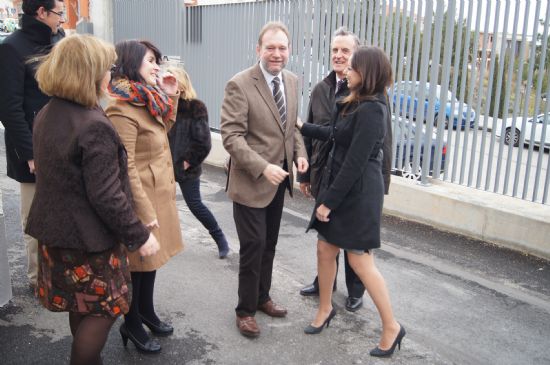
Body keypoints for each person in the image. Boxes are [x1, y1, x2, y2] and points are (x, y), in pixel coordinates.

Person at [24, 34, 160, 365]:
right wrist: (139, 236)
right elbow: (107, 194)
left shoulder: (48, 111)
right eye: (107, 68)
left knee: (80, 304)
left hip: (56, 235)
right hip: (89, 242)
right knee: (107, 307)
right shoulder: (92, 123)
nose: (111, 75)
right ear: (89, 73)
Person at [297, 46, 405, 358]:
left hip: (357, 195)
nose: (347, 70)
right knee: (324, 249)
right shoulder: (355, 100)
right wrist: (303, 127)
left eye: (353, 67)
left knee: (359, 261)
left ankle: (391, 326)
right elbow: (336, 134)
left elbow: (355, 161)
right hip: (344, 188)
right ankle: (326, 308)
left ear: (366, 72)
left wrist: (327, 202)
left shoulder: (374, 108)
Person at [220, 21, 309, 338]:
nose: (276, 53)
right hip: (250, 182)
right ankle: (244, 310)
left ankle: (262, 297)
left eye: (282, 47)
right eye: (270, 47)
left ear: (289, 50)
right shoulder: (240, 84)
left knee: (269, 244)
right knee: (253, 245)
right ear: (258, 49)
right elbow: (231, 137)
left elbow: (293, 127)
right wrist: (262, 166)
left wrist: (300, 153)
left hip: (278, 181)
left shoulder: (293, 81)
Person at [106, 40, 184, 354]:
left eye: (157, 60)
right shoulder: (120, 107)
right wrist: (144, 210)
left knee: (150, 263)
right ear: (131, 62)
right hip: (142, 200)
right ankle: (132, 322)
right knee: (135, 266)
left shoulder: (146, 98)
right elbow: (126, 166)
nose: (156, 66)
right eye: (150, 60)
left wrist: (171, 95)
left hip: (160, 193)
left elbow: (163, 129)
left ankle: (147, 312)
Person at [0, 0, 65, 289]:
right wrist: (29, 154)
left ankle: (62, 273)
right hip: (31, 148)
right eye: (59, 13)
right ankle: (38, 279)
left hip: (64, 141)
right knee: (34, 218)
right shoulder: (12, 47)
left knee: (65, 212)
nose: (62, 19)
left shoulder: (60, 41)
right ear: (41, 12)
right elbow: (9, 107)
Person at [166, 66, 230, 259]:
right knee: (162, 205)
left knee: (195, 205)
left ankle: (220, 238)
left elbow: (203, 142)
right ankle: (164, 242)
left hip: (186, 168)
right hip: (163, 166)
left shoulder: (196, 107)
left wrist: (187, 162)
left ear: (182, 84)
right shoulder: (161, 105)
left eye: (173, 81)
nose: (168, 84)